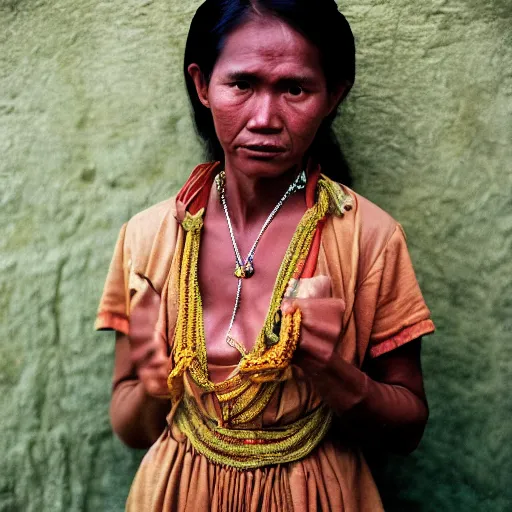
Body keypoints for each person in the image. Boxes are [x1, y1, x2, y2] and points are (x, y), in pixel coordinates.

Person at [95, 0, 435, 510]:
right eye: (242, 84)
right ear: (202, 85)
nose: (264, 118)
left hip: (316, 495)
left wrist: (329, 369)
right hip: (175, 492)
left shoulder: (368, 239)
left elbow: (408, 428)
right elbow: (130, 425)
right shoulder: (149, 239)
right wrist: (154, 376)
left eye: (294, 88)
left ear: (333, 95)